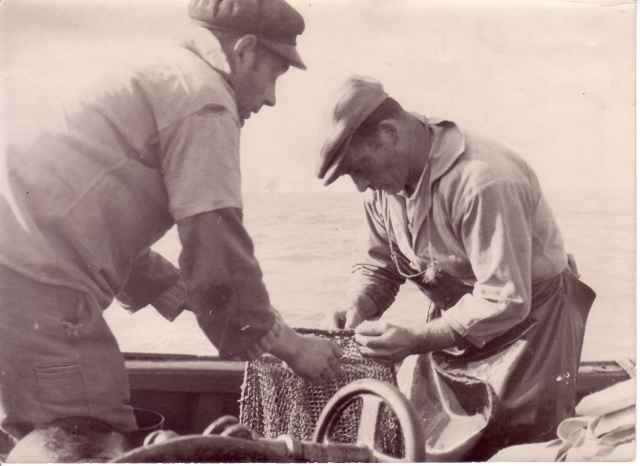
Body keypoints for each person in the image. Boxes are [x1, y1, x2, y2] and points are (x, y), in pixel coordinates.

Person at [0, 0, 340, 447]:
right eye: (274, 74)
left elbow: (93, 227)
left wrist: (179, 293)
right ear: (245, 50)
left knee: (35, 438)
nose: (272, 97)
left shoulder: (159, 73)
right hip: (36, 288)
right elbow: (216, 246)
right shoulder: (206, 98)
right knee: (87, 439)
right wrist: (293, 348)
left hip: (17, 274)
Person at [318, 76, 596, 459]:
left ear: (389, 133)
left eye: (360, 169)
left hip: (534, 330)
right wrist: (359, 302)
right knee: (427, 443)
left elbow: (505, 298)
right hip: (456, 326)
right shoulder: (384, 188)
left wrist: (417, 338)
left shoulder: (484, 179)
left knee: (520, 452)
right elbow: (380, 264)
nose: (361, 186)